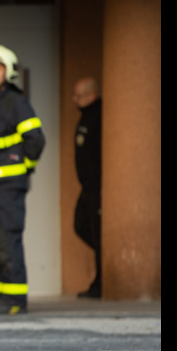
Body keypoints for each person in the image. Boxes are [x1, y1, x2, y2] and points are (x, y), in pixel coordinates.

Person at [0, 45, 46, 315]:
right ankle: (1, 293)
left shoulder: (17, 103)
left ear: (9, 72)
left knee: (7, 239)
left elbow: (36, 140)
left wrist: (23, 167)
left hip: (8, 187)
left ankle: (16, 300)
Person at [72, 77, 102, 299]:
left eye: (79, 96)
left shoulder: (99, 117)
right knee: (81, 225)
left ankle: (100, 283)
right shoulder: (86, 117)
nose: (75, 100)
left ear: (92, 96)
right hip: (87, 187)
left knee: (98, 233)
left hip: (97, 187)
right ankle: (103, 270)